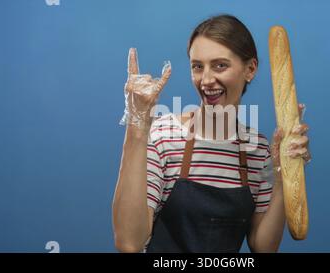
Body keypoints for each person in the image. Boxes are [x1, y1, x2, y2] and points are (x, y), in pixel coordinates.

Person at [112, 14, 311, 253]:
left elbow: (263, 247)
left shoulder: (257, 150)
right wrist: (137, 126)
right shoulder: (164, 136)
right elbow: (129, 242)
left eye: (220, 65)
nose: (206, 80)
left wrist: (283, 177)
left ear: (250, 69)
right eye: (197, 66)